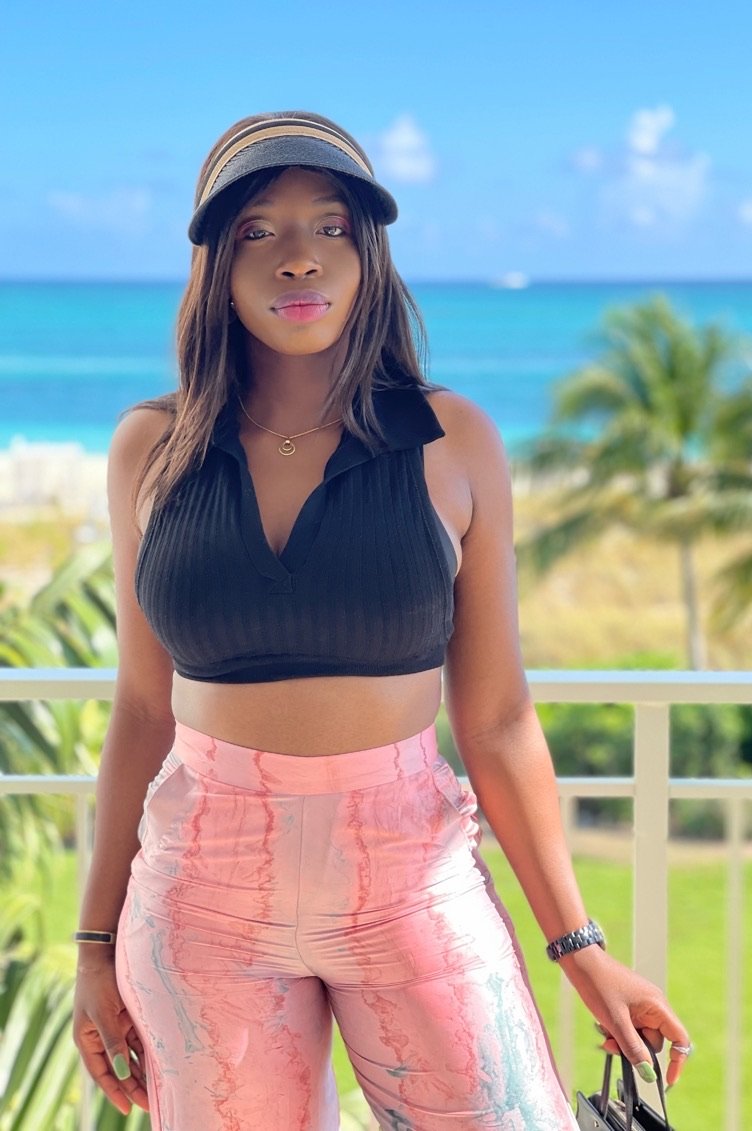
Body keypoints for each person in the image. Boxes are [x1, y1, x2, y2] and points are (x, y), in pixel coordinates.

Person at [72, 110, 691, 1131]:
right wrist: (93, 947)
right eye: (258, 232)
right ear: (215, 264)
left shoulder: (452, 440)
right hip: (199, 898)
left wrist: (581, 948)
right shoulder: (151, 448)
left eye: (331, 227)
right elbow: (142, 709)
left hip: (410, 878)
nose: (298, 257)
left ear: (368, 255)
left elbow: (496, 719)